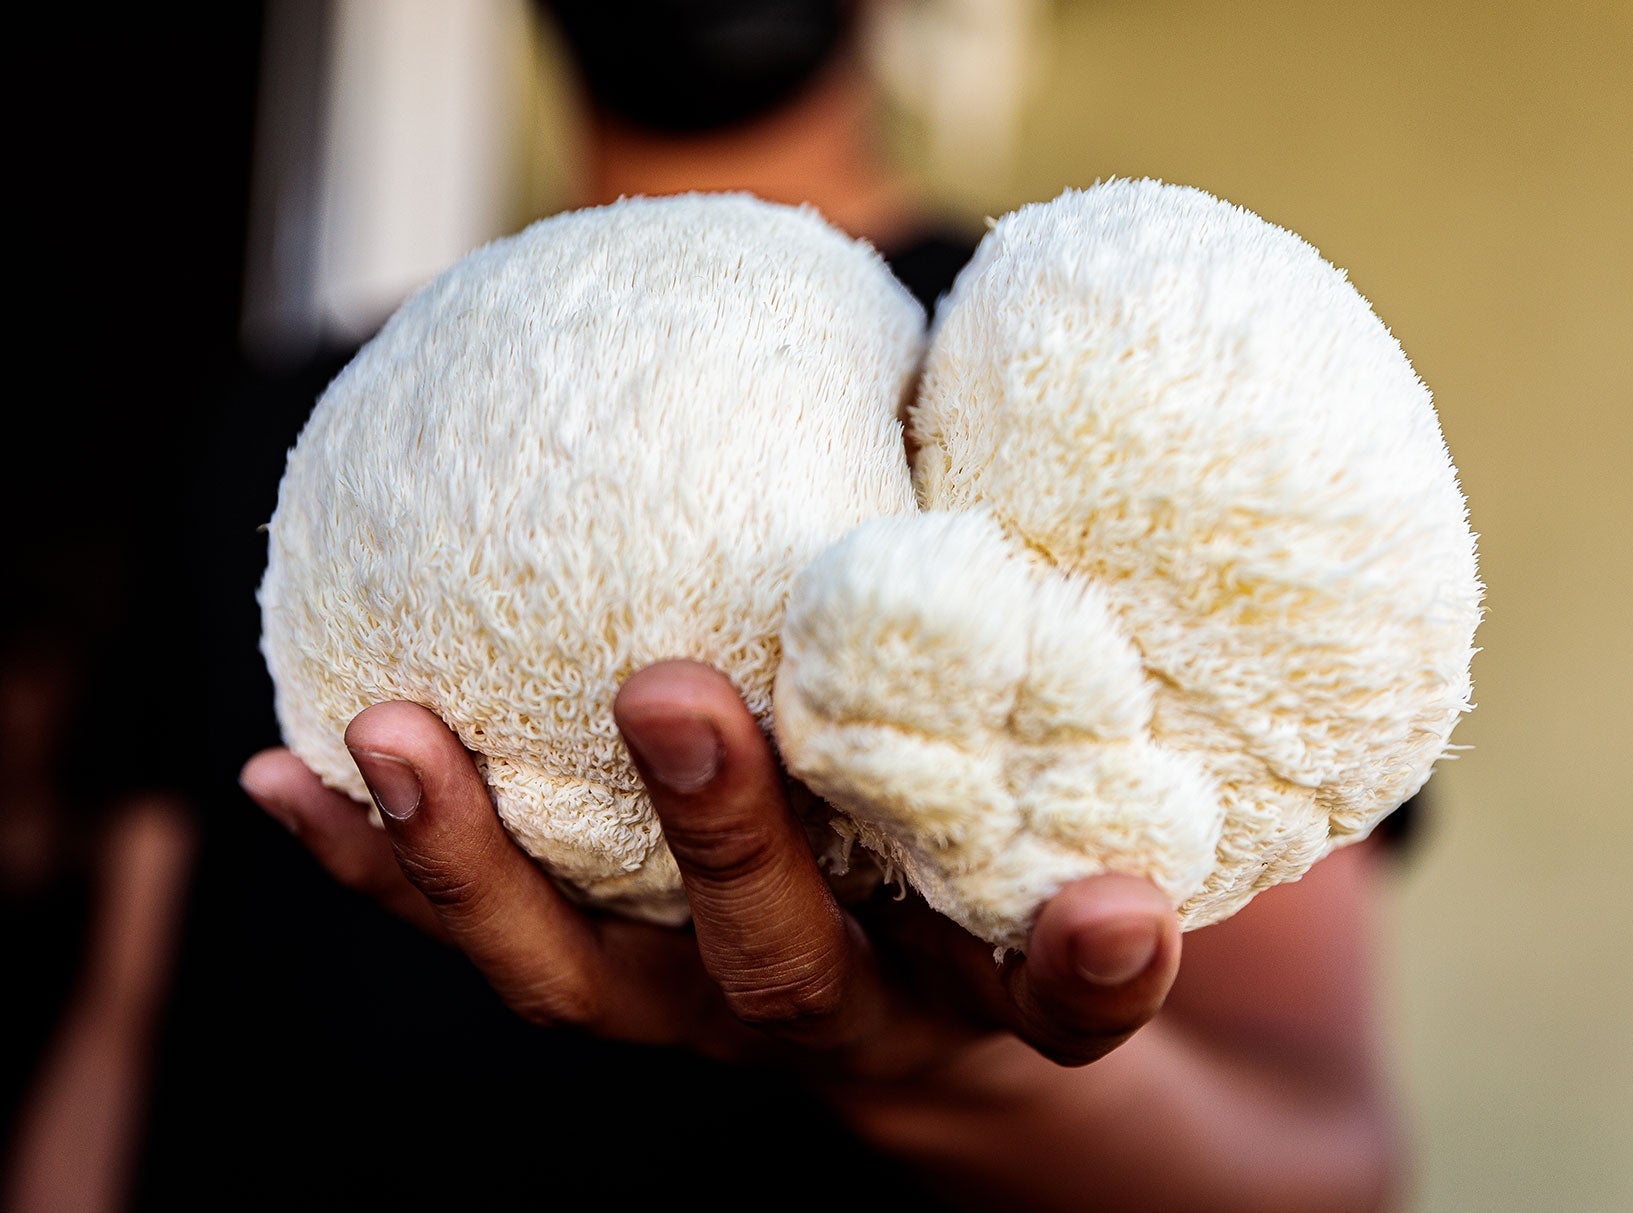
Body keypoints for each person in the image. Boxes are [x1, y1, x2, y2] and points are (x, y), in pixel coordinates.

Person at [236, 5, 1406, 1210]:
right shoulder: (296, 453)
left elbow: (1322, 1162)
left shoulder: (1114, 395)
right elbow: (123, 1015)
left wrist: (971, 1080)